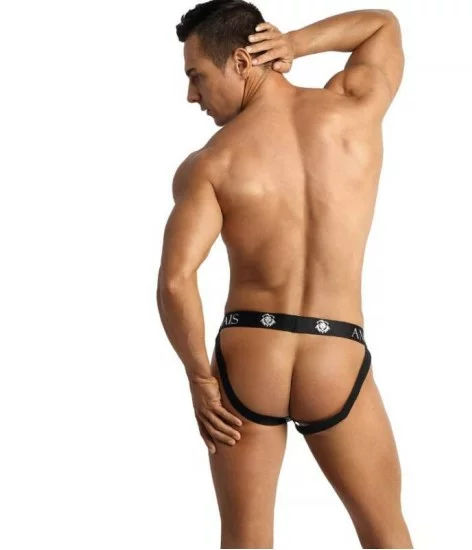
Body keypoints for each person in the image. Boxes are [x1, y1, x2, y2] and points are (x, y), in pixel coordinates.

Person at [157, 1, 412, 547]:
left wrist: (200, 379)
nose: (192, 96)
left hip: (251, 355)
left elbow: (177, 279)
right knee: (387, 535)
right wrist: (297, 43)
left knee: (245, 541)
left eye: (197, 76)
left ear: (242, 62)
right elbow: (382, 26)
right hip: (335, 350)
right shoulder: (354, 111)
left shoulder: (212, 163)